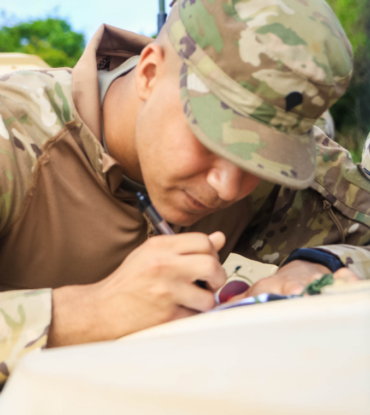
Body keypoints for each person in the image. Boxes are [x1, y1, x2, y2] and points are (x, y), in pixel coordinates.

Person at [0, 0, 368, 384]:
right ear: (149, 73)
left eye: (261, 160)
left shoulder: (283, 175)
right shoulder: (13, 135)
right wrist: (90, 312)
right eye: (212, 139)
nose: (227, 187)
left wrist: (319, 265)